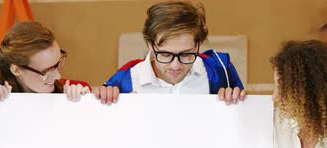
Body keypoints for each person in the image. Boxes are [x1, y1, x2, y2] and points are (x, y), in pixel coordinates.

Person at [98, 0, 246, 104]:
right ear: (149, 44)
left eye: (186, 54)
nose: (175, 66)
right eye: (165, 55)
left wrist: (235, 103)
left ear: (199, 44)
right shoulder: (124, 82)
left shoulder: (219, 71)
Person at [0, 21, 102, 103]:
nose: (58, 76)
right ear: (16, 70)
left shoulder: (76, 89)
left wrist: (85, 105)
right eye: (47, 71)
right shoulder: (1, 100)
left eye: (58, 63)